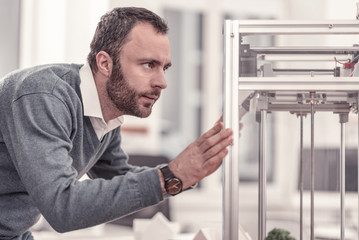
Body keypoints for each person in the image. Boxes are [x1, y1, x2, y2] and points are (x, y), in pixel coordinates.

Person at [0, 7, 233, 240]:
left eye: (165, 68)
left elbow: (117, 178)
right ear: (105, 64)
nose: (162, 82)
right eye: (148, 65)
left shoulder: (105, 115)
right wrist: (171, 176)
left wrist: (184, 175)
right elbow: (62, 207)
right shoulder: (43, 97)